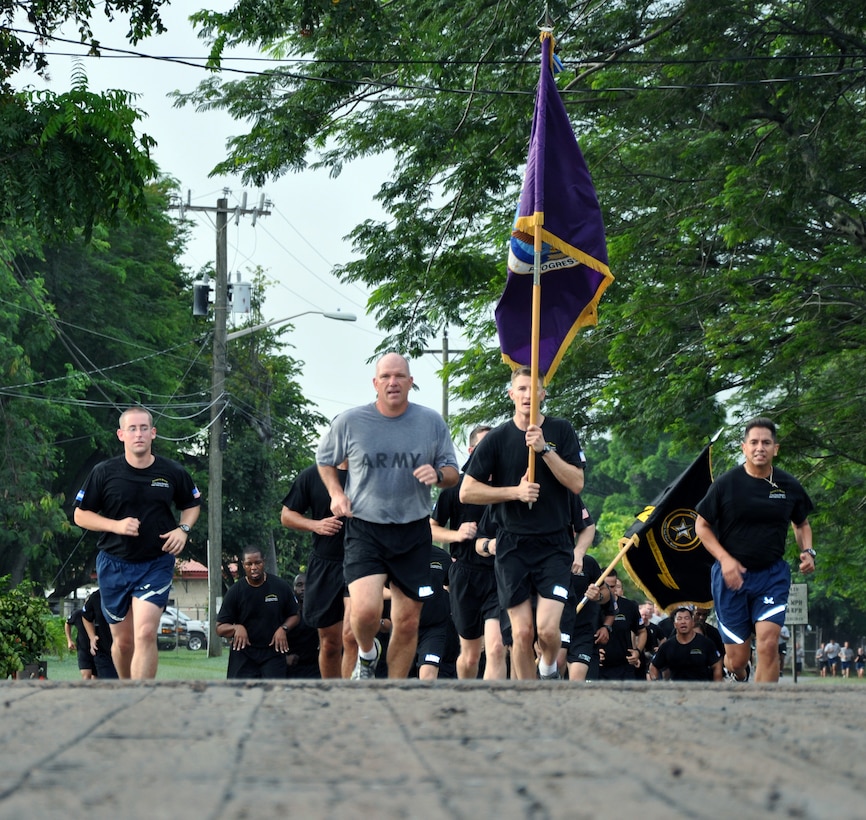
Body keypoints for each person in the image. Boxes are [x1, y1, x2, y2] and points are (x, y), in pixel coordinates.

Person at [316, 352, 459, 680]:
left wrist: (437, 475)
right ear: (375, 383)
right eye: (386, 377)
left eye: (399, 376)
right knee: (365, 613)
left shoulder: (430, 422)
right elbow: (325, 460)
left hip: (413, 531)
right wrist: (337, 494)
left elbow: (452, 472)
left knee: (407, 623)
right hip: (366, 529)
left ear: (411, 382)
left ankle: (393, 692)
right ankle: (368, 653)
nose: (393, 382)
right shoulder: (351, 422)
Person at [460, 366, 585, 680]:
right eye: (522, 389)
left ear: (544, 394)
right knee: (521, 634)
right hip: (512, 545)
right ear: (511, 394)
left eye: (534, 389)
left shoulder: (561, 430)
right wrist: (514, 492)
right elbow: (467, 491)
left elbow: (577, 483)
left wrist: (544, 450)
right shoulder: (498, 438)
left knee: (547, 629)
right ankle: (530, 703)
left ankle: (548, 669)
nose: (528, 395)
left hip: (554, 544)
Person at [72, 406, 201, 679]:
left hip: (156, 562)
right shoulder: (104, 472)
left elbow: (191, 504)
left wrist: (183, 528)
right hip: (113, 564)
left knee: (144, 633)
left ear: (153, 433)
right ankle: (126, 688)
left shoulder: (172, 471)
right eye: (132, 429)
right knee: (124, 641)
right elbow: (80, 515)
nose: (139, 434)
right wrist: (115, 525)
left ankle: (142, 701)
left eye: (144, 428)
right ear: (121, 435)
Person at [695, 417, 815, 684]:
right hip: (731, 579)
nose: (760, 447)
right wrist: (725, 560)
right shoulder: (726, 484)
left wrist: (808, 551)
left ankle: (764, 709)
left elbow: (802, 523)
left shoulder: (789, 485)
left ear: (776, 448)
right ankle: (736, 671)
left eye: (766, 442)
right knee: (737, 660)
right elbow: (701, 526)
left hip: (771, 575)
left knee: (768, 644)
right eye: (754, 442)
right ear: (744, 447)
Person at [430, 425, 506, 680]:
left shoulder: (506, 489)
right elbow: (430, 529)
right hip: (465, 575)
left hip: (500, 574)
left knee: (496, 648)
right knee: (471, 655)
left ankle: (489, 711)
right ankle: (466, 698)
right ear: (472, 451)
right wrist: (457, 535)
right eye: (485, 447)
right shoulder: (455, 489)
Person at [280, 462, 358, 678]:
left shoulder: (371, 474)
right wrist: (315, 525)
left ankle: (350, 695)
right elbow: (286, 516)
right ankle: (333, 694)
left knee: (351, 636)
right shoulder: (313, 475)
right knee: (330, 643)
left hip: (361, 561)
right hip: (325, 563)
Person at [216, 546, 300, 679]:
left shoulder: (280, 586)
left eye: (257, 563)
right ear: (243, 565)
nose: (253, 567)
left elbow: (295, 615)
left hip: (273, 652)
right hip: (243, 653)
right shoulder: (235, 591)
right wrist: (236, 628)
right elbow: (220, 628)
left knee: (273, 696)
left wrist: (283, 628)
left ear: (264, 562)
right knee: (240, 696)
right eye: (249, 564)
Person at [649, 606, 724, 681]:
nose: (683, 622)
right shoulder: (667, 646)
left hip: (701, 689)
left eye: (686, 618)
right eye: (679, 619)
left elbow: (717, 664)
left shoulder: (706, 643)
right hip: (677, 689)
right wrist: (657, 683)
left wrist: (716, 685)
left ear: (692, 623)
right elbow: (653, 666)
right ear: (675, 624)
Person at [599, 572, 645, 680]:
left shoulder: (629, 606)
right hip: (599, 667)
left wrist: (638, 651)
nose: (609, 589)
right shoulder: (591, 606)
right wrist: (592, 652)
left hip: (624, 667)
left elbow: (642, 631)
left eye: (612, 586)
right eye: (605, 586)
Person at [284, 573, 322, 679]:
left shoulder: (320, 612)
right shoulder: (285, 614)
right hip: (292, 668)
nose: (303, 589)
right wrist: (284, 659)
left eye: (307, 584)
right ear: (294, 588)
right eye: (299, 585)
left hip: (316, 667)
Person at [81, 588, 118, 679]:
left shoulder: (129, 595)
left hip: (126, 651)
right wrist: (92, 637)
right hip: (104, 652)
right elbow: (86, 616)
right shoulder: (97, 597)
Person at [65, 606, 97, 680]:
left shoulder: (99, 613)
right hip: (83, 648)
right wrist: (69, 640)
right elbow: (67, 623)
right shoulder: (78, 614)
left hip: (99, 648)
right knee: (86, 675)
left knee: (96, 677)